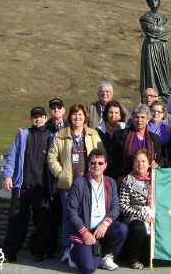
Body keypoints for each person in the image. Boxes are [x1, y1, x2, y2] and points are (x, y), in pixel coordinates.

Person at [47, 104, 106, 263]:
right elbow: (52, 157)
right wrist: (60, 173)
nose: (77, 118)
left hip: (89, 183)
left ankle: (88, 247)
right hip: (68, 184)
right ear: (69, 117)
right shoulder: (60, 135)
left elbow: (102, 155)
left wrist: (98, 172)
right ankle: (67, 247)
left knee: (88, 215)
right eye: (74, 115)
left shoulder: (93, 134)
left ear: (85, 117)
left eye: (80, 115)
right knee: (68, 217)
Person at [2, 107, 51, 263]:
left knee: (41, 221)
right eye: (35, 117)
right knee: (16, 220)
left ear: (45, 118)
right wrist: (8, 176)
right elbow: (12, 158)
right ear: (31, 119)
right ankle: (9, 253)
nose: (38, 119)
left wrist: (55, 182)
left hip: (41, 187)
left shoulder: (52, 137)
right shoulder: (23, 136)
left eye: (41, 116)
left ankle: (37, 252)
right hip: (21, 186)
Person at [67, 149, 127, 273]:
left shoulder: (110, 183)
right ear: (88, 164)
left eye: (100, 163)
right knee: (89, 268)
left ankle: (105, 256)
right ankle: (74, 252)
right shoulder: (79, 183)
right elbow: (71, 210)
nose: (96, 166)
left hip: (102, 229)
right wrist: (84, 232)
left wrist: (105, 224)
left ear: (105, 165)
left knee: (122, 229)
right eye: (93, 163)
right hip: (84, 231)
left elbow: (116, 207)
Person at [111, 104, 165, 185]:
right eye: (137, 117)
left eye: (143, 117)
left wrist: (157, 164)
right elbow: (112, 158)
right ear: (132, 119)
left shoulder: (155, 138)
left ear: (148, 120)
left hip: (148, 181)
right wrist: (117, 177)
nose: (139, 120)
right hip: (125, 180)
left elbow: (160, 159)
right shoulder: (120, 135)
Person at [119, 149, 154, 270]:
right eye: (137, 161)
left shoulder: (156, 180)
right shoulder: (127, 181)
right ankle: (133, 259)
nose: (140, 164)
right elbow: (123, 206)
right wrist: (141, 215)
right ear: (133, 164)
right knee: (138, 228)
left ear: (149, 163)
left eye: (143, 161)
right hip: (134, 217)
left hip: (153, 216)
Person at [139, 0, 171, 104]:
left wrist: (158, 31)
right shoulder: (145, 18)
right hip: (151, 48)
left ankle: (164, 96)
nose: (154, 2)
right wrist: (160, 31)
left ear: (159, 2)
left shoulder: (164, 18)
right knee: (151, 71)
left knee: (164, 71)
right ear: (148, 3)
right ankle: (151, 95)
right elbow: (150, 29)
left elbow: (165, 30)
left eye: (156, 0)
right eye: (152, 1)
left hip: (162, 48)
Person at [45, 98, 69, 258]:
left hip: (67, 178)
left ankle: (66, 247)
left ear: (63, 110)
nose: (56, 110)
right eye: (53, 108)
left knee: (67, 213)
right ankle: (51, 248)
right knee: (53, 215)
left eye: (58, 108)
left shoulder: (70, 127)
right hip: (52, 177)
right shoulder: (45, 128)